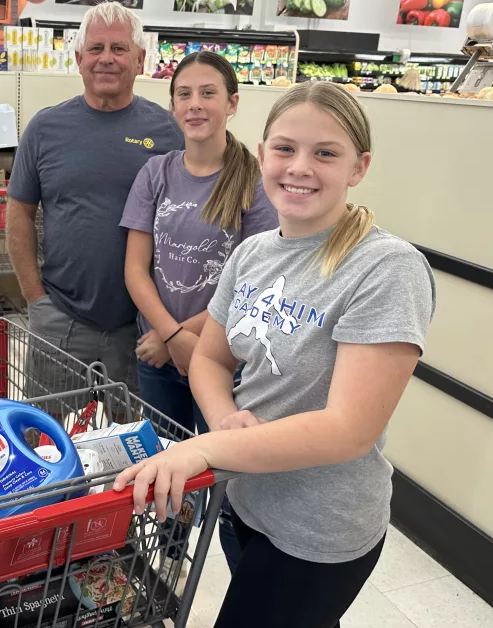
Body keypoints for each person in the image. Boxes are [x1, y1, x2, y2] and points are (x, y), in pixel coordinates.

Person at [113, 81, 436, 628]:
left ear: (359, 167)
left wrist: (205, 449)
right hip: (245, 502)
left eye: (325, 153)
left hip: (318, 529)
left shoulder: (387, 269)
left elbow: (348, 430)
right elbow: (212, 360)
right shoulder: (253, 253)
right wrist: (223, 422)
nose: (300, 167)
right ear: (262, 156)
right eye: (285, 149)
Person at [119, 51, 278, 571]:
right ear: (172, 108)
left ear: (232, 103)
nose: (195, 104)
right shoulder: (155, 172)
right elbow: (136, 271)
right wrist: (168, 338)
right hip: (157, 353)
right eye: (184, 94)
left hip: (225, 356)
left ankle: (240, 567)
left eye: (208, 93)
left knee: (222, 463)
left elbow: (253, 282)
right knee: (168, 457)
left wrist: (182, 339)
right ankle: (169, 556)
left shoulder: (254, 182)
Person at [7, 2, 182, 394]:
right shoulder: (44, 128)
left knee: (133, 444)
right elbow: (18, 212)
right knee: (48, 442)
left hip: (140, 326)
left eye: (119, 49)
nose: (107, 59)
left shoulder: (169, 132)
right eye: (96, 49)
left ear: (139, 60)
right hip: (61, 319)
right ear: (78, 59)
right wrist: (36, 300)